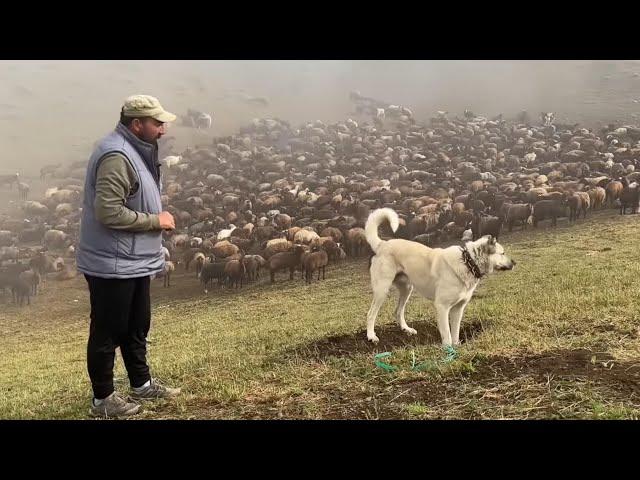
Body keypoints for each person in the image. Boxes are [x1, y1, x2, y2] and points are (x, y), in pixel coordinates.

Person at [76, 94, 180, 418]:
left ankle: (141, 383)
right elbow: (107, 212)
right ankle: (102, 399)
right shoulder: (117, 155)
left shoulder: (136, 150)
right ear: (137, 124)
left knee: (137, 323)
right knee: (107, 328)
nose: (162, 129)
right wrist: (156, 221)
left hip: (133, 258)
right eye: (156, 123)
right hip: (112, 261)